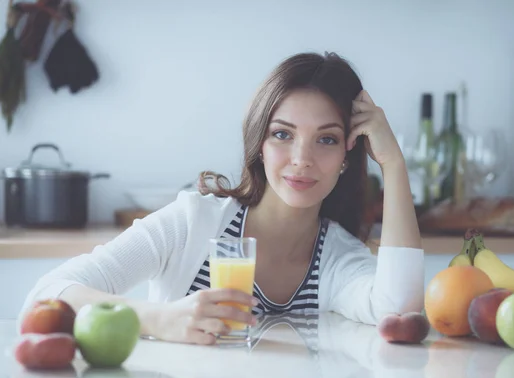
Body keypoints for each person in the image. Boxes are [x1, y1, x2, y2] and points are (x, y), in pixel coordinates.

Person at [18, 51, 424, 345]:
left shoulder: (337, 256)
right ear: (259, 145)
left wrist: (393, 163)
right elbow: (47, 295)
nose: (302, 159)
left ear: (345, 158)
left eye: (327, 139)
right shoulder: (192, 222)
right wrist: (158, 319)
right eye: (282, 134)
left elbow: (399, 311)